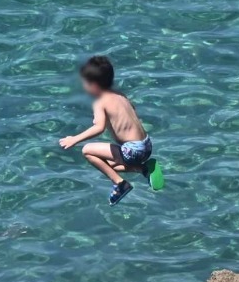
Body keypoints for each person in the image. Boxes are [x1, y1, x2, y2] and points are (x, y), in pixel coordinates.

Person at [59, 55, 165, 205]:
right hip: (146, 145)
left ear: (94, 85)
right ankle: (143, 169)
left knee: (87, 151)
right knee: (109, 165)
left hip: (132, 150)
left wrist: (74, 139)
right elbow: (131, 110)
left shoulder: (100, 102)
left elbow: (99, 128)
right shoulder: (120, 94)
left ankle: (120, 184)